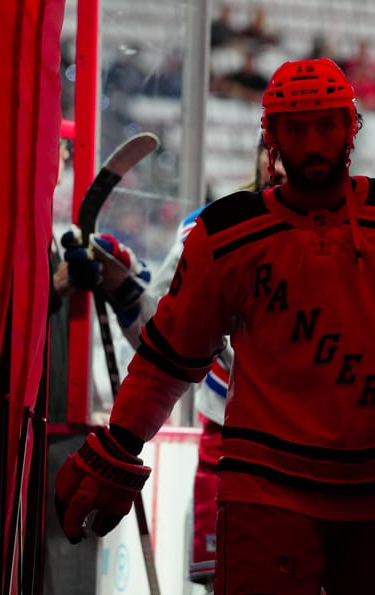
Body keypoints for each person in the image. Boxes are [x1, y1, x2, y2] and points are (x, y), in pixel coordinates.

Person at [54, 58, 375, 594]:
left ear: (351, 127)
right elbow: (168, 359)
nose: (314, 143)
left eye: (327, 125)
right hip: (266, 493)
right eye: (296, 128)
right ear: (271, 136)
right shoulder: (223, 235)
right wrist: (120, 441)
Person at [56, 134, 286, 592]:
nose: (278, 165)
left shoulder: (354, 238)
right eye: (272, 146)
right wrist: (124, 286)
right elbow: (168, 336)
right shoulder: (209, 229)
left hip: (323, 462)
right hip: (230, 451)